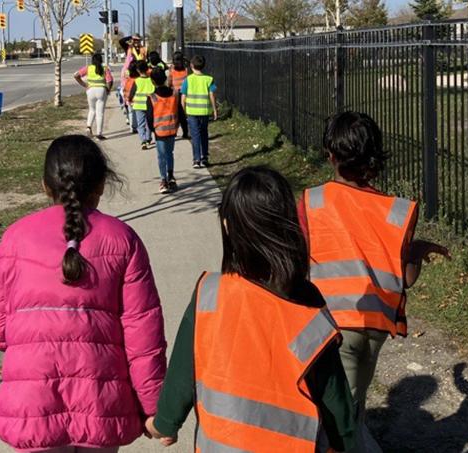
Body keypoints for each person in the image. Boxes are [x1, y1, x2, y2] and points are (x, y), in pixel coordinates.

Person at [145, 166, 357, 452]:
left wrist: (165, 423)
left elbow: (183, 373)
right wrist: (344, 443)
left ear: (227, 226)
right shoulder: (307, 302)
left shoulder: (209, 294)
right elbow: (333, 395)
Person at [0, 135, 168, 452]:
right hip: (101, 402)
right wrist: (153, 407)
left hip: (32, 404)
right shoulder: (123, 240)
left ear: (45, 185)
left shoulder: (15, 238)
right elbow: (143, 335)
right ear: (101, 187)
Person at [298, 111, 450, 453]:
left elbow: (297, 263)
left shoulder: (313, 201)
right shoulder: (394, 211)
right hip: (375, 327)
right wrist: (418, 249)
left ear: (330, 154)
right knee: (354, 398)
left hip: (332, 327)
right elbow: (406, 278)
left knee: (335, 415)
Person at [146, 68, 179, 194]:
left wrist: (152, 129)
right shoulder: (175, 93)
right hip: (172, 128)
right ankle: (171, 177)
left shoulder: (152, 97)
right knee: (170, 153)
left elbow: (149, 116)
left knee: (161, 156)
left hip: (159, 131)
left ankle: (163, 180)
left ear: (152, 81)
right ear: (165, 79)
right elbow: (180, 111)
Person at [181, 55, 217, 169]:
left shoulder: (188, 80)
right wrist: (214, 109)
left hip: (191, 112)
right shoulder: (208, 79)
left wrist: (184, 110)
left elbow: (183, 98)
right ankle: (205, 157)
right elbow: (212, 95)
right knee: (204, 133)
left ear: (191, 66)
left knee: (195, 135)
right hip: (205, 111)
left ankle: (196, 159)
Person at [73, 53, 113, 140]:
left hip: (90, 90)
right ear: (101, 60)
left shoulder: (88, 68)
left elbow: (76, 76)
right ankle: (99, 133)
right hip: (101, 91)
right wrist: (108, 90)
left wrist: (84, 84)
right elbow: (110, 80)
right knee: (100, 113)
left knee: (92, 110)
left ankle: (88, 127)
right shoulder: (105, 68)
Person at [128, 60, 154, 150]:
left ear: (138, 70)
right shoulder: (151, 79)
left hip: (138, 106)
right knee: (149, 123)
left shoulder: (137, 81)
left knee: (141, 124)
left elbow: (132, 92)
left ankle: (143, 140)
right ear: (147, 68)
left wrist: (130, 100)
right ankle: (148, 138)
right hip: (150, 106)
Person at [168, 51, 189, 139]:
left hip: (175, 94)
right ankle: (185, 132)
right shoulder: (185, 70)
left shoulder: (172, 71)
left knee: (175, 114)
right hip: (184, 94)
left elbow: (169, 82)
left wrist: (170, 88)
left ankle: (175, 131)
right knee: (182, 115)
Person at [122, 60, 140, 133]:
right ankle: (137, 126)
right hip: (137, 99)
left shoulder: (128, 80)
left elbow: (125, 89)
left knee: (131, 112)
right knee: (137, 113)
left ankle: (132, 127)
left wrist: (125, 98)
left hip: (129, 99)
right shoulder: (138, 80)